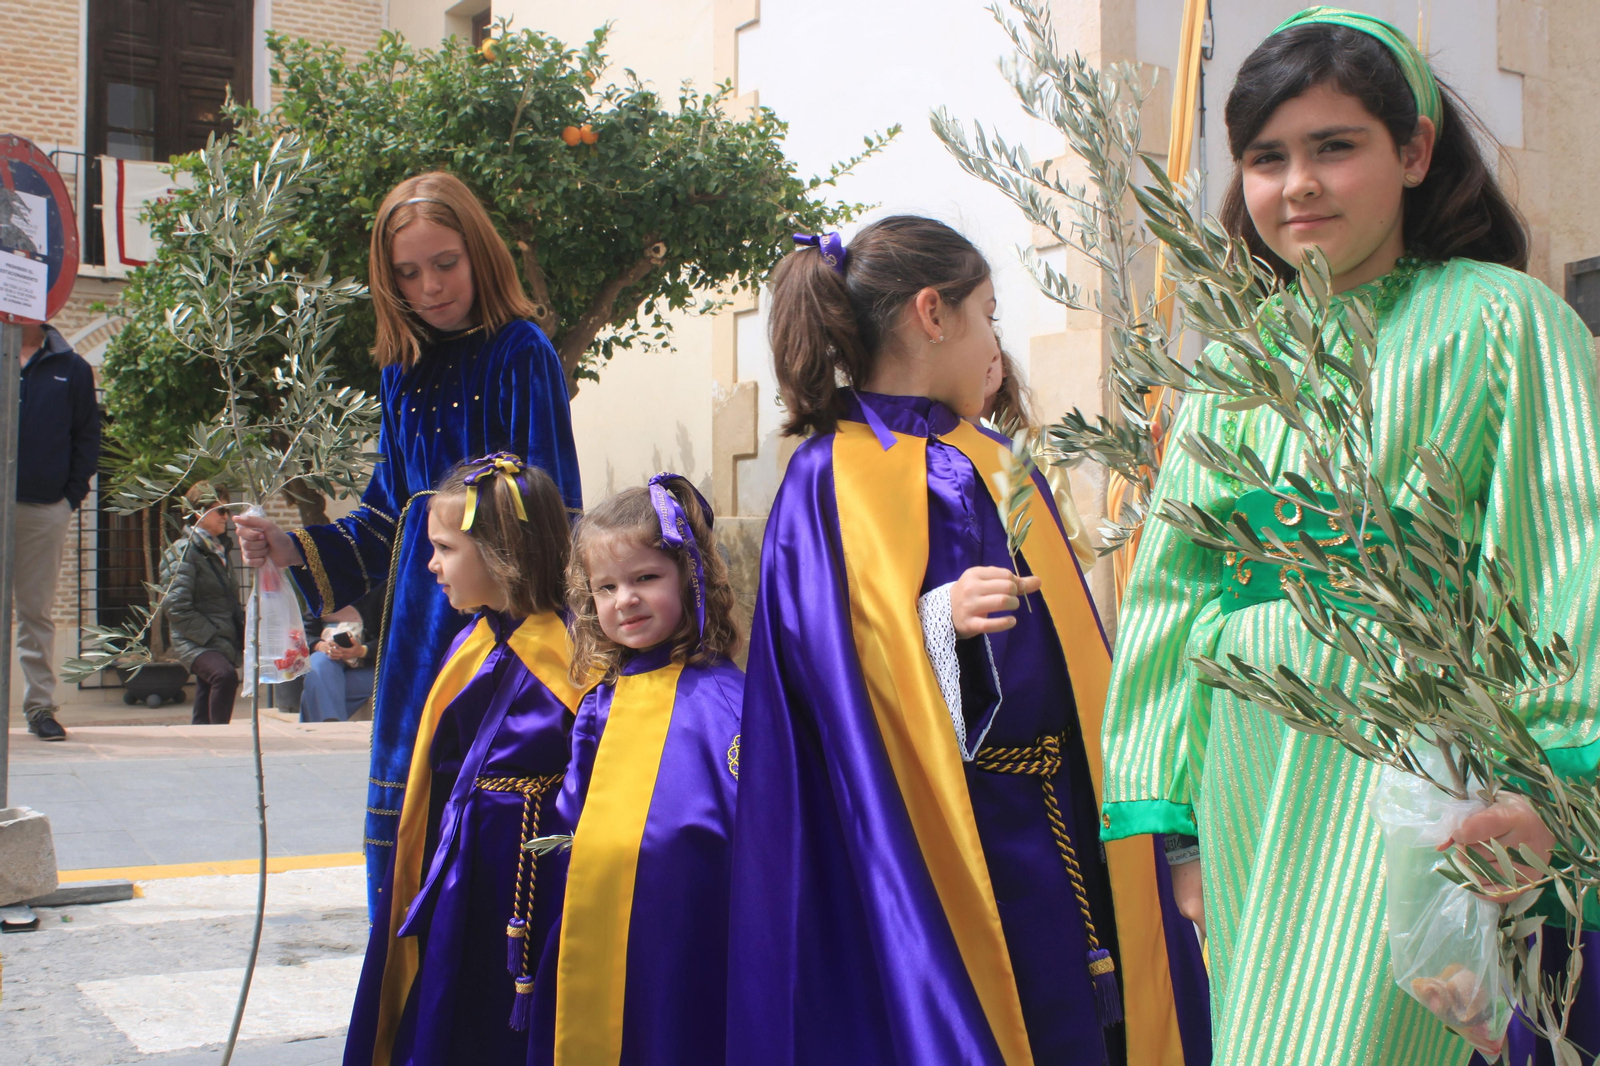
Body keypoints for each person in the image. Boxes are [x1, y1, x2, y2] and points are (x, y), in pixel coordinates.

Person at [1100, 10, 1600, 1065]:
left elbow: (1568, 545)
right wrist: (1178, 825)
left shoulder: (1502, 320)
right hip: (1251, 777)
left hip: (1424, 772)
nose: (1300, 185)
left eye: (1336, 146)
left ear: (1414, 150)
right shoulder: (1235, 366)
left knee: (1393, 1028)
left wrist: (1553, 783)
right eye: (1266, 159)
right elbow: (1173, 590)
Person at [727, 218, 1210, 1066]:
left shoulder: (996, 457)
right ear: (932, 313)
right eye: (988, 311)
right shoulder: (826, 479)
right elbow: (829, 686)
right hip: (949, 837)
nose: (997, 335)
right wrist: (933, 627)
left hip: (1061, 804)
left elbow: (1073, 643)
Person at [233, 172, 582, 913]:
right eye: (407, 272)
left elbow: (555, 515)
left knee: (487, 834)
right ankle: (405, 1018)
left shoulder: (523, 353)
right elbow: (387, 518)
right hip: (415, 646)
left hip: (503, 647)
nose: (428, 286)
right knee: (406, 833)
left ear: (480, 255)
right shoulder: (401, 371)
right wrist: (291, 547)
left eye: (445, 262)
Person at [344, 454, 584, 1066]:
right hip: (463, 866)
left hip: (533, 872)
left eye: (446, 548)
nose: (431, 565)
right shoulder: (470, 644)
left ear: (502, 550)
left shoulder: (576, 653)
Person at [527, 473, 743, 1066]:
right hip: (601, 928)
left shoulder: (725, 702)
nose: (625, 599)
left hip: (687, 933)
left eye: (646, 578)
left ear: (691, 576)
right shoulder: (603, 699)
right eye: (606, 587)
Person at [15, 318, 99, 741]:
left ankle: (39, 707)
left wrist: (69, 498)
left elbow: (87, 437)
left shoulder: (73, 367)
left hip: (43, 507)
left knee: (35, 612)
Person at [978, 348, 1096, 572]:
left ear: (1004, 368)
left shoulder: (1034, 448)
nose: (985, 366)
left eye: (992, 357)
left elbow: (1072, 541)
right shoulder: (939, 446)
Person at [162, 481, 244, 726]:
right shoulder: (184, 552)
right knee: (224, 676)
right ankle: (219, 739)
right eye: (220, 511)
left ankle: (202, 741)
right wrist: (211, 635)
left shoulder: (218, 550)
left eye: (227, 511)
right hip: (197, 640)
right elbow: (175, 605)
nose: (226, 517)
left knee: (207, 689)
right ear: (199, 512)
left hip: (218, 638)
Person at [299, 588, 384, 723]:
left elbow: (395, 637)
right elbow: (305, 632)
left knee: (314, 689)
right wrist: (320, 645)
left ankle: (326, 730)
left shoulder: (381, 587)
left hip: (374, 671)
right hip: (330, 663)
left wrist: (363, 650)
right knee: (318, 662)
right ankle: (330, 727)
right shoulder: (321, 586)